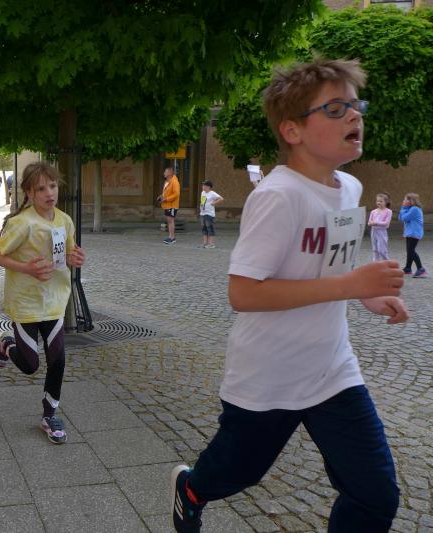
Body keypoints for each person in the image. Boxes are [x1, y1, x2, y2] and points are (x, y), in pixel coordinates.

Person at [170, 58, 408, 533]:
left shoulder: (350, 188)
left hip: (332, 370)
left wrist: (363, 294)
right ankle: (191, 489)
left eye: (355, 105)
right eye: (335, 108)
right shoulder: (278, 196)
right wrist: (350, 286)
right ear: (292, 130)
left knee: (375, 495)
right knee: (237, 473)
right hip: (268, 376)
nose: (354, 116)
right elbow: (243, 292)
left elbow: (329, 268)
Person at [0, 162, 85, 444]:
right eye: (41, 188)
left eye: (52, 186)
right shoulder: (22, 223)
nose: (49, 193)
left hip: (55, 300)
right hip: (26, 304)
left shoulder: (64, 220)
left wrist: (75, 258)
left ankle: (49, 415)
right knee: (30, 365)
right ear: (29, 193)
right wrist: (26, 268)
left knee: (58, 359)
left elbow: (67, 254)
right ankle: (8, 344)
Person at [399, 193, 426, 278]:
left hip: (414, 233)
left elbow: (404, 218)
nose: (403, 201)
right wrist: (404, 208)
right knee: (409, 251)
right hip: (410, 233)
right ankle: (408, 268)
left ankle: (421, 269)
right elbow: (400, 218)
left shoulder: (414, 209)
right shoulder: (410, 208)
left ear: (411, 201)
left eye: (405, 199)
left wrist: (403, 208)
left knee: (411, 251)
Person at [157, 167, 180, 244]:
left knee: (171, 221)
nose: (164, 173)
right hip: (167, 205)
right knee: (169, 221)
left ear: (170, 173)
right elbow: (166, 192)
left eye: (165, 172)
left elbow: (176, 194)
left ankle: (172, 238)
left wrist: (166, 199)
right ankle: (170, 236)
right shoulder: (167, 181)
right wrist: (161, 196)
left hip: (172, 205)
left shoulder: (174, 182)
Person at [198, 180, 223, 249]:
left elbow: (221, 198)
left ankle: (211, 244)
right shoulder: (202, 192)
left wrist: (214, 203)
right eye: (203, 185)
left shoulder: (212, 193)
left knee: (210, 228)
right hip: (203, 213)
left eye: (204, 185)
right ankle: (205, 243)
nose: (203, 186)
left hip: (209, 213)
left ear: (208, 187)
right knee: (204, 228)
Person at [368, 192, 392, 262]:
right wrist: (371, 223)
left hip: (382, 232)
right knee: (375, 249)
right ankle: (376, 264)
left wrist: (376, 223)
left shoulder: (388, 211)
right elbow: (369, 222)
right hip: (373, 231)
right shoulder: (373, 211)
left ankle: (387, 263)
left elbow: (386, 223)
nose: (379, 202)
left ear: (386, 202)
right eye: (377, 201)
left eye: (381, 201)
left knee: (382, 250)